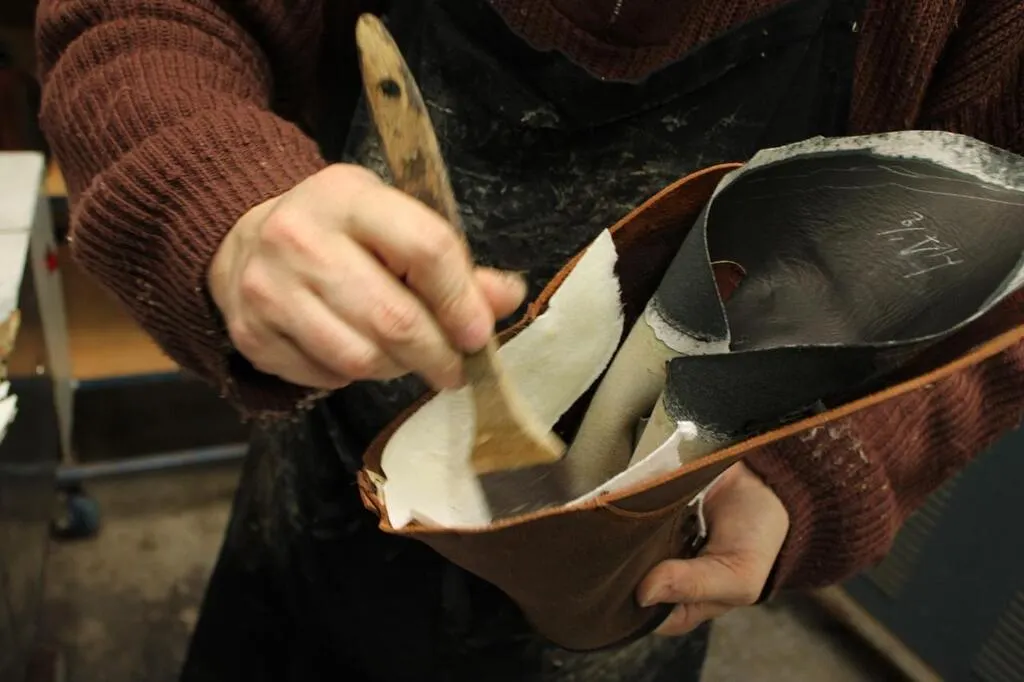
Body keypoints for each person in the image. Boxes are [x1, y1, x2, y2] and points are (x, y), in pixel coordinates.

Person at [35, 0, 1024, 680]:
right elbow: (147, 18)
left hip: (643, 551)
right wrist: (218, 204)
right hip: (322, 487)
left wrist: (828, 463)